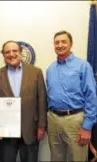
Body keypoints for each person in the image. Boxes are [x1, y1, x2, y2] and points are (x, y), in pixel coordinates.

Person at [46, 30, 97, 161]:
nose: (60, 45)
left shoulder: (83, 66)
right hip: (53, 119)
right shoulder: (50, 69)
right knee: (56, 158)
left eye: (64, 42)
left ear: (71, 44)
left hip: (75, 120)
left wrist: (87, 126)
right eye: (56, 42)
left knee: (77, 158)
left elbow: (91, 96)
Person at [0, 40, 47, 162]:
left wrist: (41, 126)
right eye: (7, 52)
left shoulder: (36, 72)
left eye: (14, 51)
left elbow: (42, 100)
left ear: (21, 52)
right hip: (5, 131)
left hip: (30, 129)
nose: (11, 54)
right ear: (3, 55)